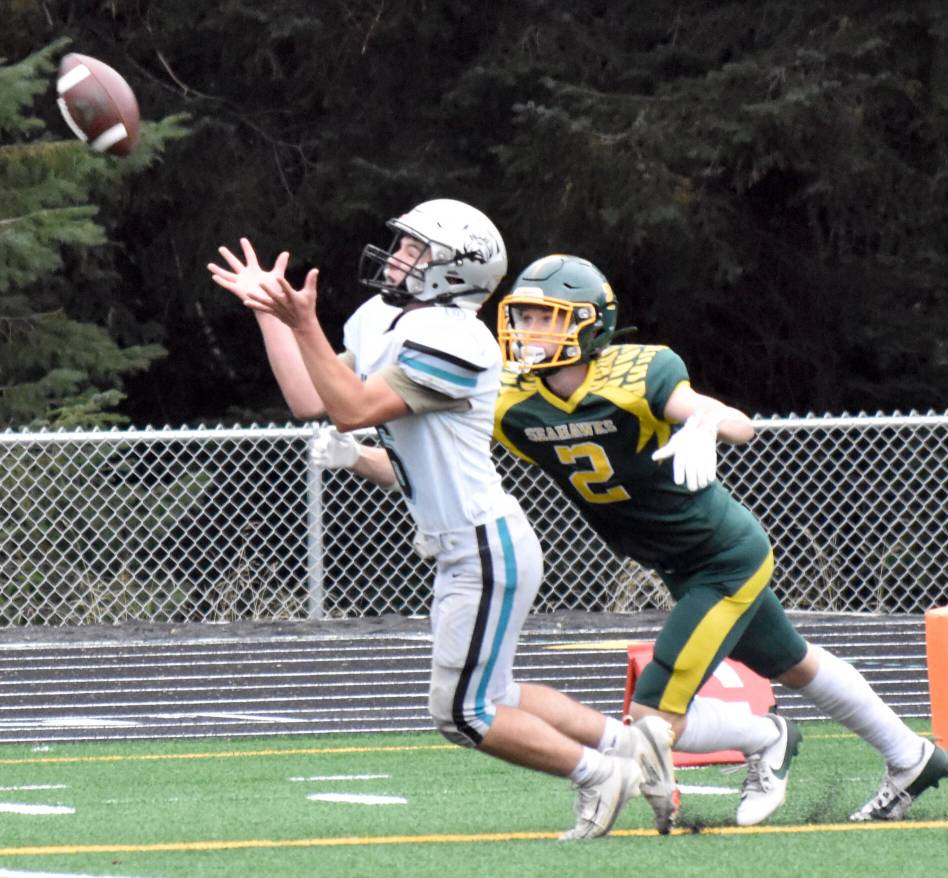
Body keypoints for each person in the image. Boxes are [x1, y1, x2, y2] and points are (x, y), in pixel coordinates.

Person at [206, 202, 677, 840]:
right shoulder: (380, 317)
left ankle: (598, 773)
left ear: (456, 271)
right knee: (497, 696)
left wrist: (305, 322)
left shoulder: (458, 338)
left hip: (484, 545)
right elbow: (309, 399)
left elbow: (351, 410)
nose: (398, 256)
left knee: (463, 713)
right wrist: (271, 318)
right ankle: (629, 747)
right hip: (468, 546)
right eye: (401, 244)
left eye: (415, 249)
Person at [487, 253, 948, 825]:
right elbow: (448, 449)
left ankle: (764, 737)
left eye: (546, 318)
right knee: (792, 663)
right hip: (673, 560)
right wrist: (359, 453)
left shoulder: (636, 373)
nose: (529, 332)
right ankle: (910, 756)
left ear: (588, 323)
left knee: (654, 711)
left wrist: (705, 422)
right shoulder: (510, 398)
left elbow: (736, 422)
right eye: (525, 317)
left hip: (723, 556)